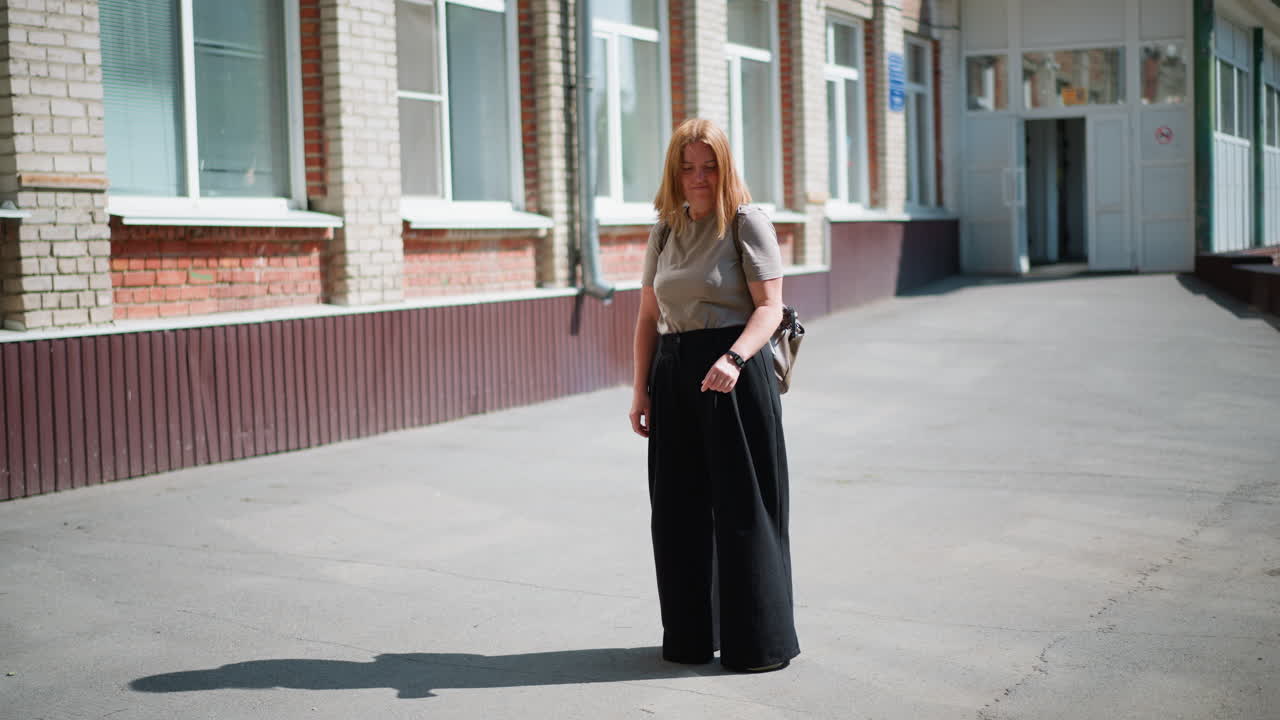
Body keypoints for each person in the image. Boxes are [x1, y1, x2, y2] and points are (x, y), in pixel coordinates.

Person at [628, 118, 799, 673]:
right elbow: (648, 317)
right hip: (674, 374)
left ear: (724, 168)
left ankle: (757, 644)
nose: (697, 177)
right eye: (686, 167)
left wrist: (734, 358)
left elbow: (770, 308)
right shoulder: (664, 230)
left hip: (733, 373)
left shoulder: (746, 222)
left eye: (708, 166)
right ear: (674, 172)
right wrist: (641, 390)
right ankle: (691, 637)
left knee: (742, 509)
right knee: (675, 512)